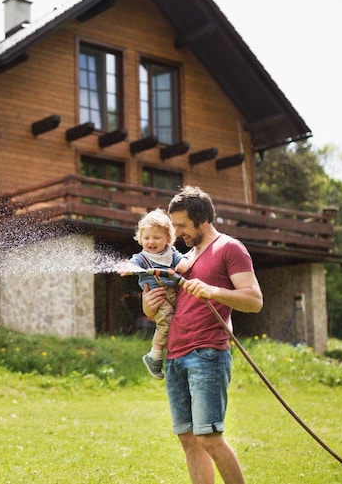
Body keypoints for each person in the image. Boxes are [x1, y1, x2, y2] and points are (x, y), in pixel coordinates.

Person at [142, 186, 263, 484]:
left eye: (181, 225)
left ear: (202, 220)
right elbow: (164, 307)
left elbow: (254, 300)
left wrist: (213, 290)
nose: (176, 232)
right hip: (175, 356)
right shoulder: (184, 258)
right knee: (188, 438)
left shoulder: (229, 248)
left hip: (207, 354)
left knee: (208, 437)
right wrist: (148, 307)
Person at [122, 208, 190, 380]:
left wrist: (183, 262)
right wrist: (127, 268)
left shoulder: (171, 253)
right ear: (140, 239)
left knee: (177, 322)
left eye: (156, 237)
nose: (151, 242)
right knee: (165, 323)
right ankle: (154, 356)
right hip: (157, 295)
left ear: (168, 238)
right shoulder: (142, 258)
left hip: (174, 292)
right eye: (146, 238)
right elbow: (132, 263)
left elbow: (182, 259)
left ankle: (171, 355)